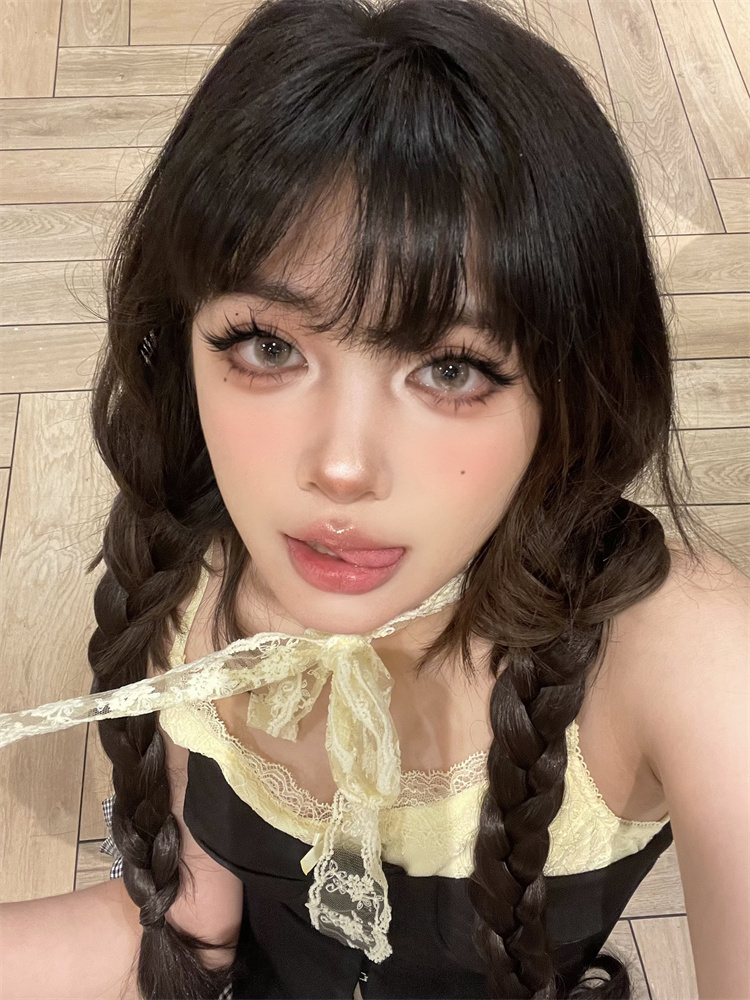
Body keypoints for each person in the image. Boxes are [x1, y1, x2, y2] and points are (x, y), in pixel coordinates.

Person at [1, 0, 748, 998]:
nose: (343, 468)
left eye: (451, 368)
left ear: (571, 385)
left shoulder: (684, 660)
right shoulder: (193, 572)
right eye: (269, 346)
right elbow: (193, 933)